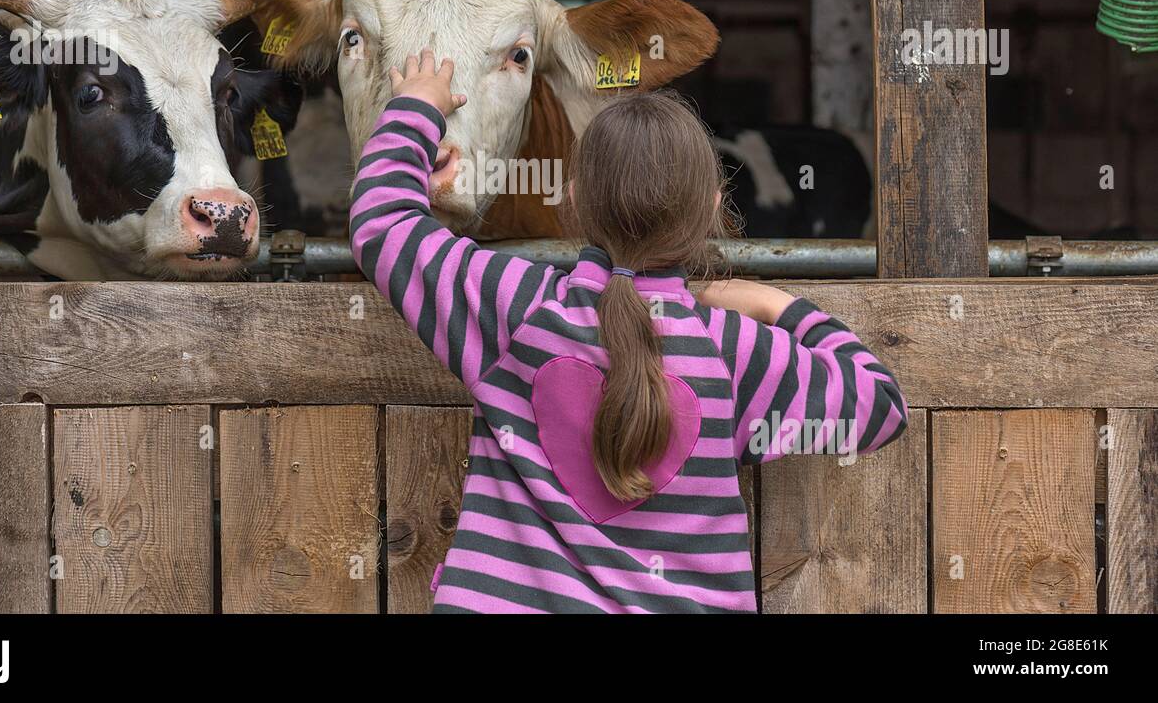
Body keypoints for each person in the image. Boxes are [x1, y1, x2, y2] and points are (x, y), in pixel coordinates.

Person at [350, 49, 908, 613]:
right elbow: (882, 405)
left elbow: (382, 221)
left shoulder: (515, 309)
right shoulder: (736, 353)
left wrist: (416, 106)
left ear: (572, 200)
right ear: (713, 207)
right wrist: (775, 303)